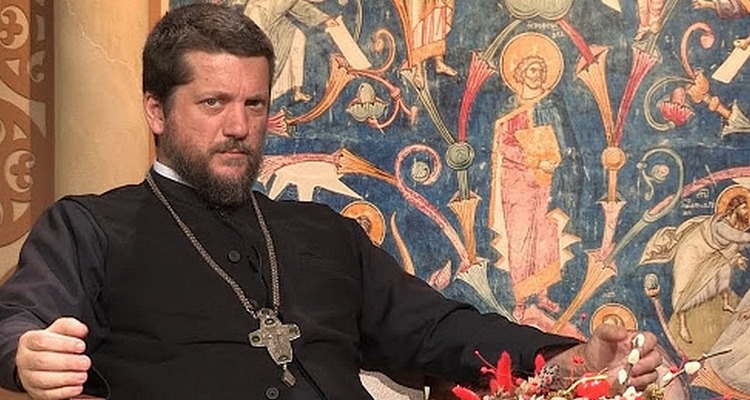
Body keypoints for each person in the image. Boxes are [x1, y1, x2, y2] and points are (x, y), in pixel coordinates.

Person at [0, 4, 660, 399]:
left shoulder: (321, 232)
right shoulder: (90, 227)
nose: (239, 126)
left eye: (255, 103)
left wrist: (566, 359)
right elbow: (18, 317)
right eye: (214, 103)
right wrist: (26, 352)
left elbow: (436, 330)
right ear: (156, 110)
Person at [489, 33, 582, 322]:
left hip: (546, 180)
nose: (538, 74)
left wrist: (555, 160)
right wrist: (529, 158)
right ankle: (520, 298)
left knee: (546, 237)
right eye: (532, 69)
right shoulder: (509, 107)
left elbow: (565, 141)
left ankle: (542, 294)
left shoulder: (552, 104)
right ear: (519, 73)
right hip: (516, 184)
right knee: (519, 240)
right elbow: (502, 145)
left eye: (541, 70)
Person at [640, 187, 750, 343]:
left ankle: (725, 303)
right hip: (691, 251)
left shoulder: (733, 226)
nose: (747, 212)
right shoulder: (721, 225)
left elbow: (731, 247)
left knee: (724, 270)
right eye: (744, 208)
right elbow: (739, 237)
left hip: (709, 254)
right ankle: (682, 325)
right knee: (684, 288)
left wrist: (737, 258)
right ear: (734, 209)